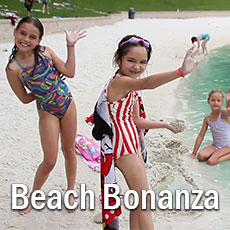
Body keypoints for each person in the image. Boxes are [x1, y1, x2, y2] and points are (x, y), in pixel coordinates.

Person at [90, 35, 198, 230]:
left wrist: (165, 125)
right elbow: (148, 83)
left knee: (137, 199)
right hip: (121, 145)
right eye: (130, 60)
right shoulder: (120, 82)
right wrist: (180, 72)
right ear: (118, 59)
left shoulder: (131, 85)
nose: (137, 67)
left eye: (142, 62)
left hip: (131, 143)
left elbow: (136, 120)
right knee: (144, 201)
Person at [5, 16, 86, 215]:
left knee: (68, 150)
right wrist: (43, 89)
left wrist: (70, 45)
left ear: (39, 40)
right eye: (22, 33)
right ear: (15, 32)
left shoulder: (46, 52)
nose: (26, 39)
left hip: (67, 103)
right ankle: (33, 197)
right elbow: (24, 98)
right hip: (47, 111)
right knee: (49, 160)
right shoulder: (13, 68)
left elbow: (69, 71)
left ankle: (70, 192)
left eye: (32, 36)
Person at [191, 89, 230, 165]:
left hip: (228, 146)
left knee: (211, 161)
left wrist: (228, 102)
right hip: (216, 145)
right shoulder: (207, 118)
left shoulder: (224, 113)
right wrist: (193, 153)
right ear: (208, 101)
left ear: (222, 103)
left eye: (218, 101)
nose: (215, 103)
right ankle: (217, 153)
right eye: (213, 100)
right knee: (201, 156)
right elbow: (200, 136)